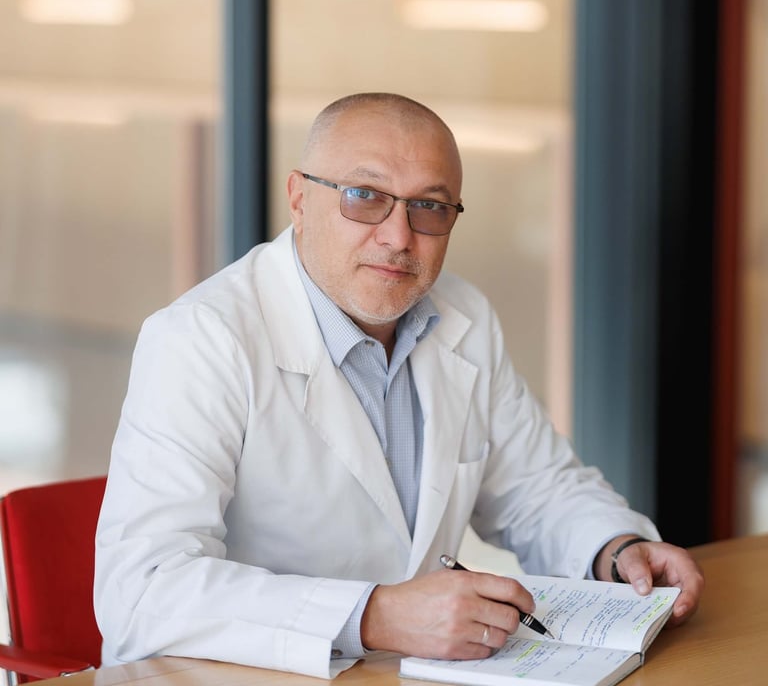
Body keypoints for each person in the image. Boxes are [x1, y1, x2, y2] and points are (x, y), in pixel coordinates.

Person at [94, 92, 704, 679]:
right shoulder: (201, 338)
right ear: (299, 199)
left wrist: (615, 549)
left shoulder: (464, 316)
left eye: (429, 207)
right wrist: (376, 615)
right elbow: (142, 589)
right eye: (364, 196)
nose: (398, 237)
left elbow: (536, 489)